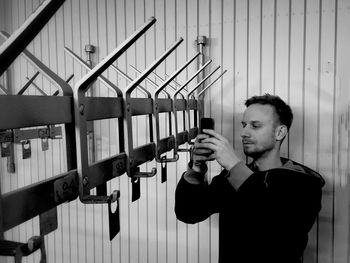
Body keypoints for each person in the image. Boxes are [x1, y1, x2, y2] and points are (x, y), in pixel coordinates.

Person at [175, 94, 325, 263]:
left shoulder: (304, 184)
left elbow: (275, 229)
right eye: (244, 125)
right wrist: (197, 169)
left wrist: (233, 164)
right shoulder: (232, 176)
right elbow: (188, 212)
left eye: (255, 126)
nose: (244, 133)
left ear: (280, 132)